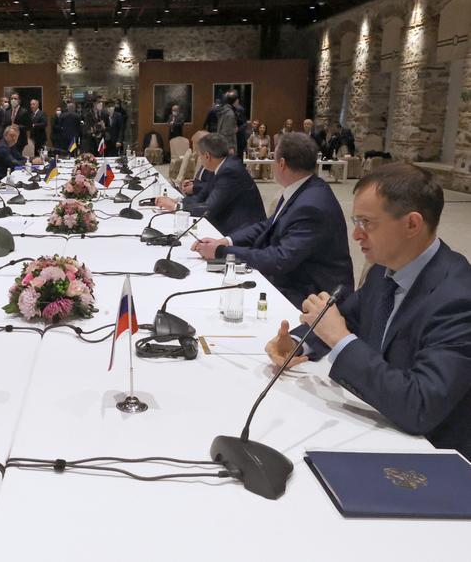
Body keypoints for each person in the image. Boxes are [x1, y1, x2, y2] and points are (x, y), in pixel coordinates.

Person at [266, 164, 471, 459]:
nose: (356, 235)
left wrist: (339, 339)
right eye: (355, 221)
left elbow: (420, 406)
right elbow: (348, 316)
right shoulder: (384, 270)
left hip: (431, 454)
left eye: (366, 222)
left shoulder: (458, 298)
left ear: (412, 224)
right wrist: (298, 343)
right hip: (379, 422)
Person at [192, 133, 353, 307]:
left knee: (223, 298)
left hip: (312, 295)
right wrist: (226, 241)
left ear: (281, 164)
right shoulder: (303, 187)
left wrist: (221, 252)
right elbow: (269, 225)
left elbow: (279, 259)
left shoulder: (311, 205)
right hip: (293, 278)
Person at [155, 133, 265, 236]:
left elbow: (209, 209)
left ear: (207, 156)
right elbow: (203, 195)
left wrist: (176, 207)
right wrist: (178, 202)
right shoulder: (223, 165)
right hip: (230, 222)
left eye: (200, 156)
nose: (200, 159)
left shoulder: (229, 171)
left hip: (243, 231)